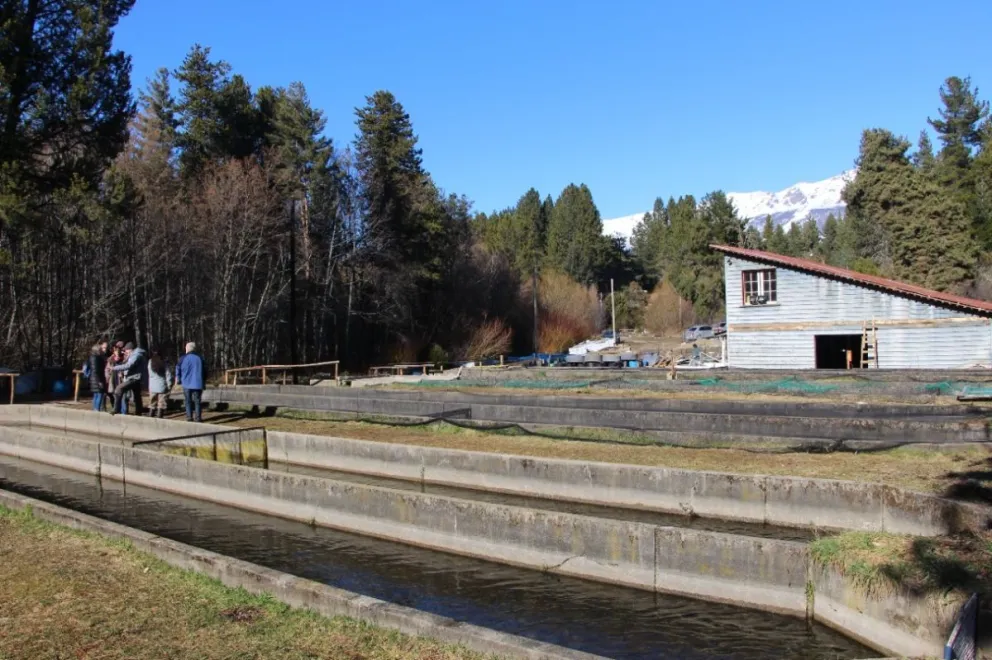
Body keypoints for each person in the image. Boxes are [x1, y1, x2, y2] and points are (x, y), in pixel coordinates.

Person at [110, 342, 147, 415]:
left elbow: (129, 365)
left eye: (126, 350)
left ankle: (116, 409)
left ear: (130, 349)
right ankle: (139, 412)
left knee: (119, 389)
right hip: (135, 377)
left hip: (134, 378)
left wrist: (114, 368)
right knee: (137, 396)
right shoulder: (134, 355)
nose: (125, 351)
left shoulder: (136, 355)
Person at [176, 342, 205, 422]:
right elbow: (205, 371)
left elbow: (178, 369)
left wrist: (178, 379)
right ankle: (198, 418)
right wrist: (204, 380)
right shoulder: (200, 358)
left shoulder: (182, 358)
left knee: (188, 401)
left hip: (186, 383)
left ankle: (189, 417)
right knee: (197, 401)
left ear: (187, 348)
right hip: (198, 383)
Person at [146, 348, 173, 418]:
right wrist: (169, 385)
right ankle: (159, 417)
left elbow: (149, 374)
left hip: (152, 386)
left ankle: (150, 415)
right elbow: (168, 375)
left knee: (152, 403)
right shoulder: (164, 363)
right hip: (162, 385)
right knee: (161, 403)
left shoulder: (150, 362)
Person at [87, 344, 107, 412]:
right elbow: (97, 370)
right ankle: (96, 409)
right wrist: (99, 381)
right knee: (100, 394)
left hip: (93, 378)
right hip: (97, 378)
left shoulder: (91, 357)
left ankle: (94, 409)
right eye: (101, 349)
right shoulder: (97, 358)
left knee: (95, 394)